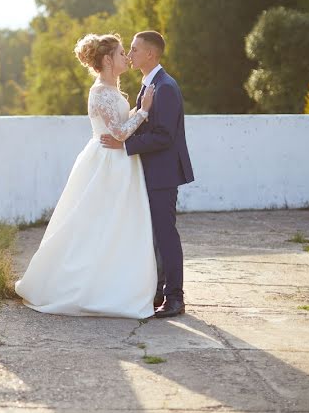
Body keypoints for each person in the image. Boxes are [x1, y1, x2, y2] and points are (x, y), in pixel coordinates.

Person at [15, 33, 157, 319]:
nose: (126, 58)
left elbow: (118, 123)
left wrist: (135, 112)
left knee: (116, 226)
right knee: (94, 224)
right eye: (120, 54)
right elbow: (118, 133)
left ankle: (114, 285)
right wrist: (142, 112)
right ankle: (82, 287)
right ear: (107, 60)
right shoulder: (100, 92)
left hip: (119, 162)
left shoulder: (111, 90)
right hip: (105, 164)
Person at [100, 31, 194, 318]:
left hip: (163, 172)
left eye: (135, 49)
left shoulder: (164, 87)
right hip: (151, 170)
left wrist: (124, 144)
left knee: (165, 234)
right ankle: (158, 291)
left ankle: (175, 298)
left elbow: (164, 136)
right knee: (154, 234)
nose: (130, 54)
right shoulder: (150, 85)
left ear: (150, 54)